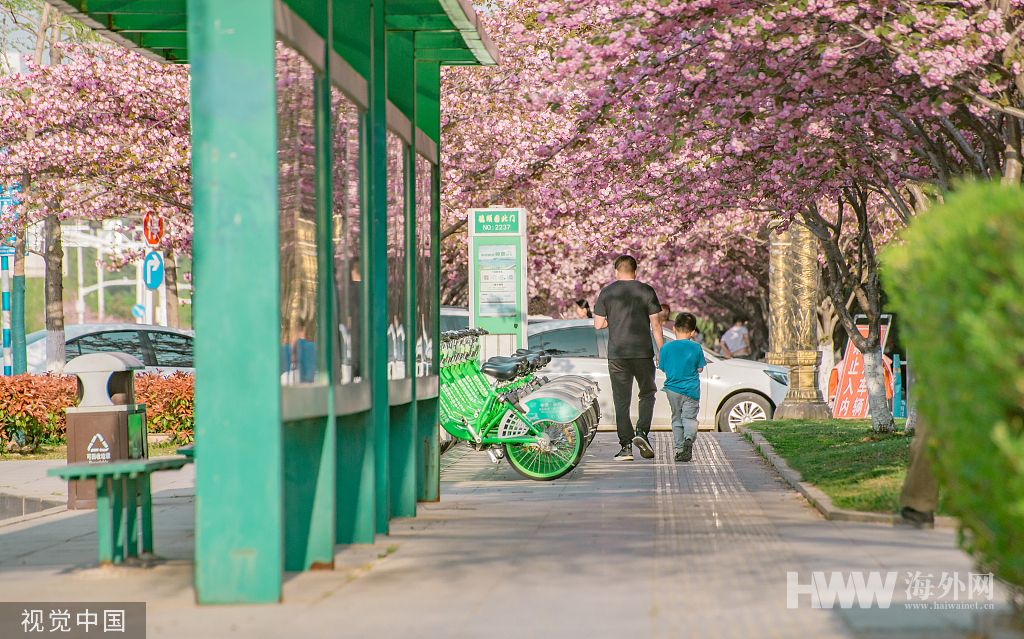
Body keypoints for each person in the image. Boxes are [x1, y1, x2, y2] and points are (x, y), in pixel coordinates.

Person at [594, 255, 664, 461]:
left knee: (621, 401)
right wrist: (662, 351)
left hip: (618, 355)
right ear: (636, 271)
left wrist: (613, 323)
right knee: (648, 393)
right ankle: (642, 432)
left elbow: (598, 324)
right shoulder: (646, 291)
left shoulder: (607, 292)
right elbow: (657, 326)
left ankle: (625, 447)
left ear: (616, 271)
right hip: (643, 353)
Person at [659, 313, 706, 462]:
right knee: (689, 418)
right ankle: (688, 439)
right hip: (691, 390)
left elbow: (663, 368)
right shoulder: (696, 347)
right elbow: (700, 369)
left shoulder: (666, 348)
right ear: (692, 332)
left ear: (673, 329)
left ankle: (679, 449)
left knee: (677, 419)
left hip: (672, 389)